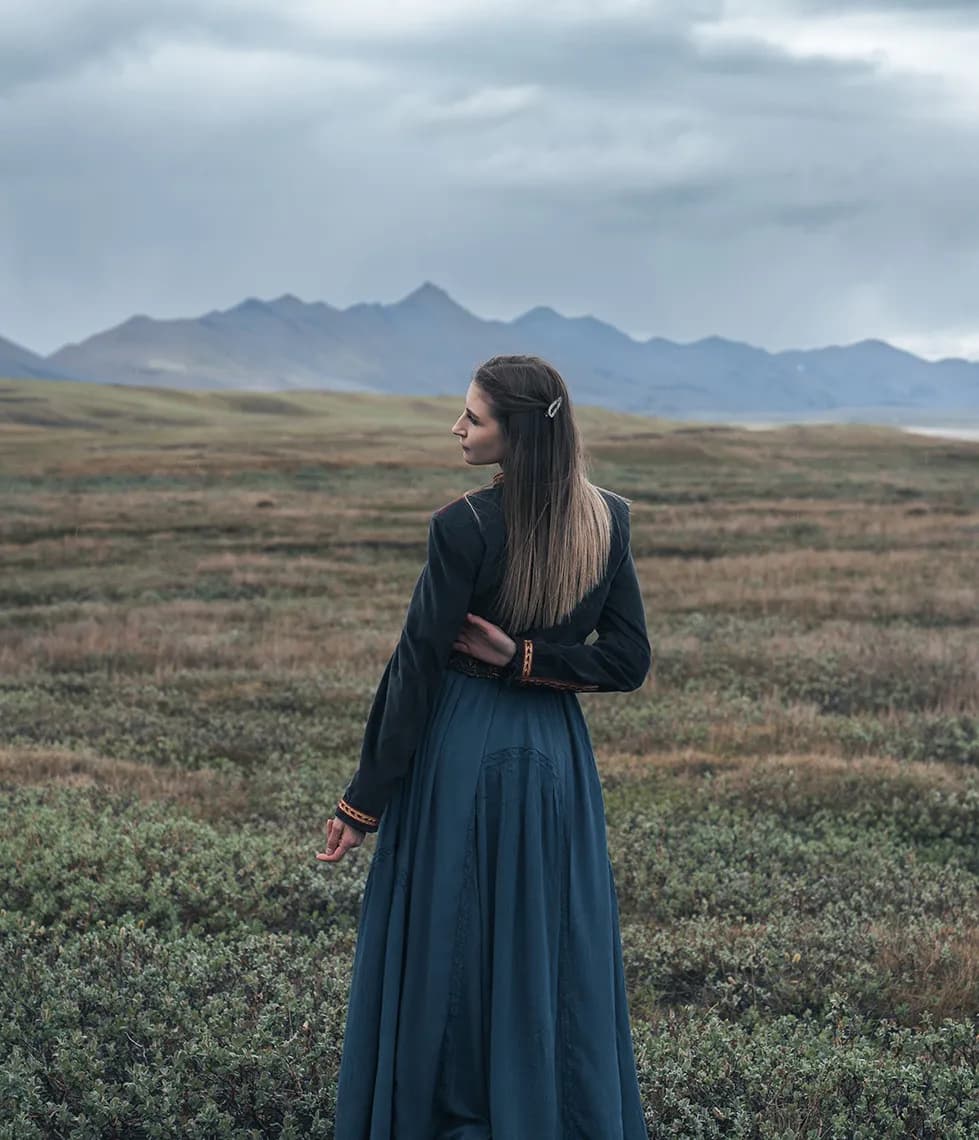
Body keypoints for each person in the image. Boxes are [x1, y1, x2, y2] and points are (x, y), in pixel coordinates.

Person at [317, 354, 651, 1139]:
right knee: (545, 940)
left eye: (473, 417)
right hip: (554, 758)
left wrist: (360, 804)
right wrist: (534, 662)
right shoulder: (607, 518)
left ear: (518, 434)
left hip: (462, 751)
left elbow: (415, 671)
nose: (457, 428)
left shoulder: (462, 526)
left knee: (450, 938)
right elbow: (626, 660)